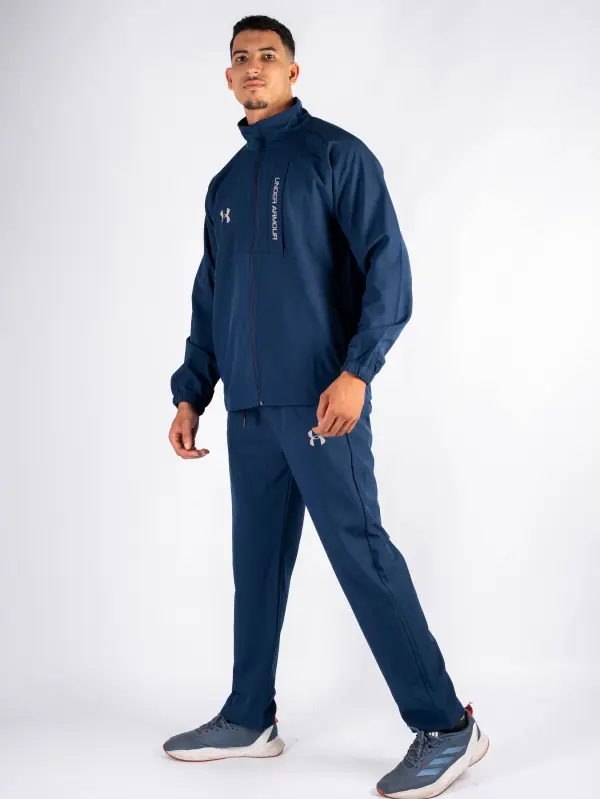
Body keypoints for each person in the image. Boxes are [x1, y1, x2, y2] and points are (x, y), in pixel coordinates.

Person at [163, 15, 489, 798]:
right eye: (240, 58)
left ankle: (448, 724)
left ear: (293, 72)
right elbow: (212, 299)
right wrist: (191, 390)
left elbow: (389, 269)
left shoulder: (336, 155)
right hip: (248, 411)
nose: (253, 67)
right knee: (255, 565)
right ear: (228, 76)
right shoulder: (224, 186)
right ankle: (249, 715)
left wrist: (357, 372)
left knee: (361, 554)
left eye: (267, 56)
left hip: (321, 402)